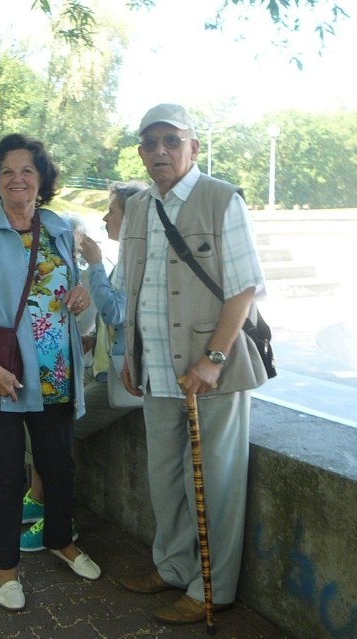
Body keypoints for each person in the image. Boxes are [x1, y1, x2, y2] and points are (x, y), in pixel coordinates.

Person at [114, 104, 267, 625]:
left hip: (211, 373)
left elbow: (244, 288)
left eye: (171, 141)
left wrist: (214, 359)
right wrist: (126, 353)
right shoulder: (137, 208)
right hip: (155, 369)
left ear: (193, 147)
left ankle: (211, 589)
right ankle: (174, 566)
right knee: (165, 477)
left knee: (216, 483)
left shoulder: (221, 199)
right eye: (150, 142)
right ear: (140, 151)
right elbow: (127, 290)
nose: (160, 150)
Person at [0, 133, 100, 611]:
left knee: (58, 466)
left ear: (42, 180)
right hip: (3, 375)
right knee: (6, 476)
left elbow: (69, 290)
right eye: (7, 171)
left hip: (56, 370)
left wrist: (82, 296)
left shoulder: (58, 227)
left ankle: (59, 538)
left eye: (27, 170)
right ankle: (5, 567)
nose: (18, 179)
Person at [20, 182, 147, 552]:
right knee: (47, 423)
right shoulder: (126, 259)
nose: (106, 217)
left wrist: (92, 266)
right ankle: (41, 501)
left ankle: (57, 518)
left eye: (113, 211)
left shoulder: (125, 262)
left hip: (125, 380)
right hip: (106, 369)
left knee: (57, 428)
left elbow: (117, 312)